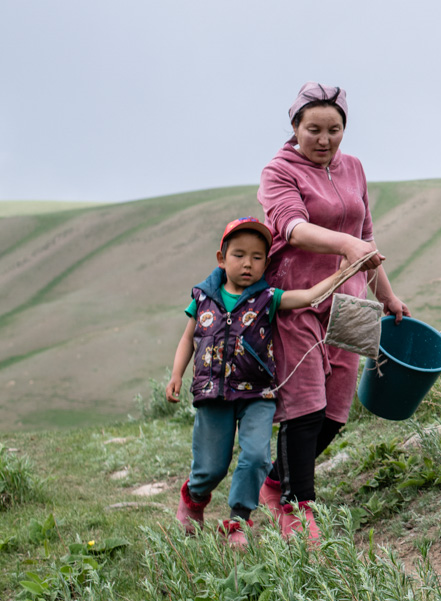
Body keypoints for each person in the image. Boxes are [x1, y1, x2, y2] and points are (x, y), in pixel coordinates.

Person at [257, 83, 410, 540]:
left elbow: (366, 238)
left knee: (335, 412)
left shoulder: (354, 168)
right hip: (297, 297)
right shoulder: (278, 171)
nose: (324, 139)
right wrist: (346, 244)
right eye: (314, 129)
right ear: (295, 127)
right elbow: (293, 228)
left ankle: (274, 484)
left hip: (350, 301)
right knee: (305, 403)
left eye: (334, 130)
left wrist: (387, 296)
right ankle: (296, 508)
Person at [165, 218, 362, 547]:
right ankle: (194, 498)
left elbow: (309, 295)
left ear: (266, 263)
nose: (248, 264)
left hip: (257, 394)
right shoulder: (202, 297)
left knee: (256, 457)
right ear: (221, 258)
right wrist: (176, 375)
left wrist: (343, 272)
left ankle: (238, 521)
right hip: (213, 394)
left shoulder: (268, 297)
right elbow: (189, 338)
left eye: (257, 257)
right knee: (211, 467)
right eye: (239, 255)